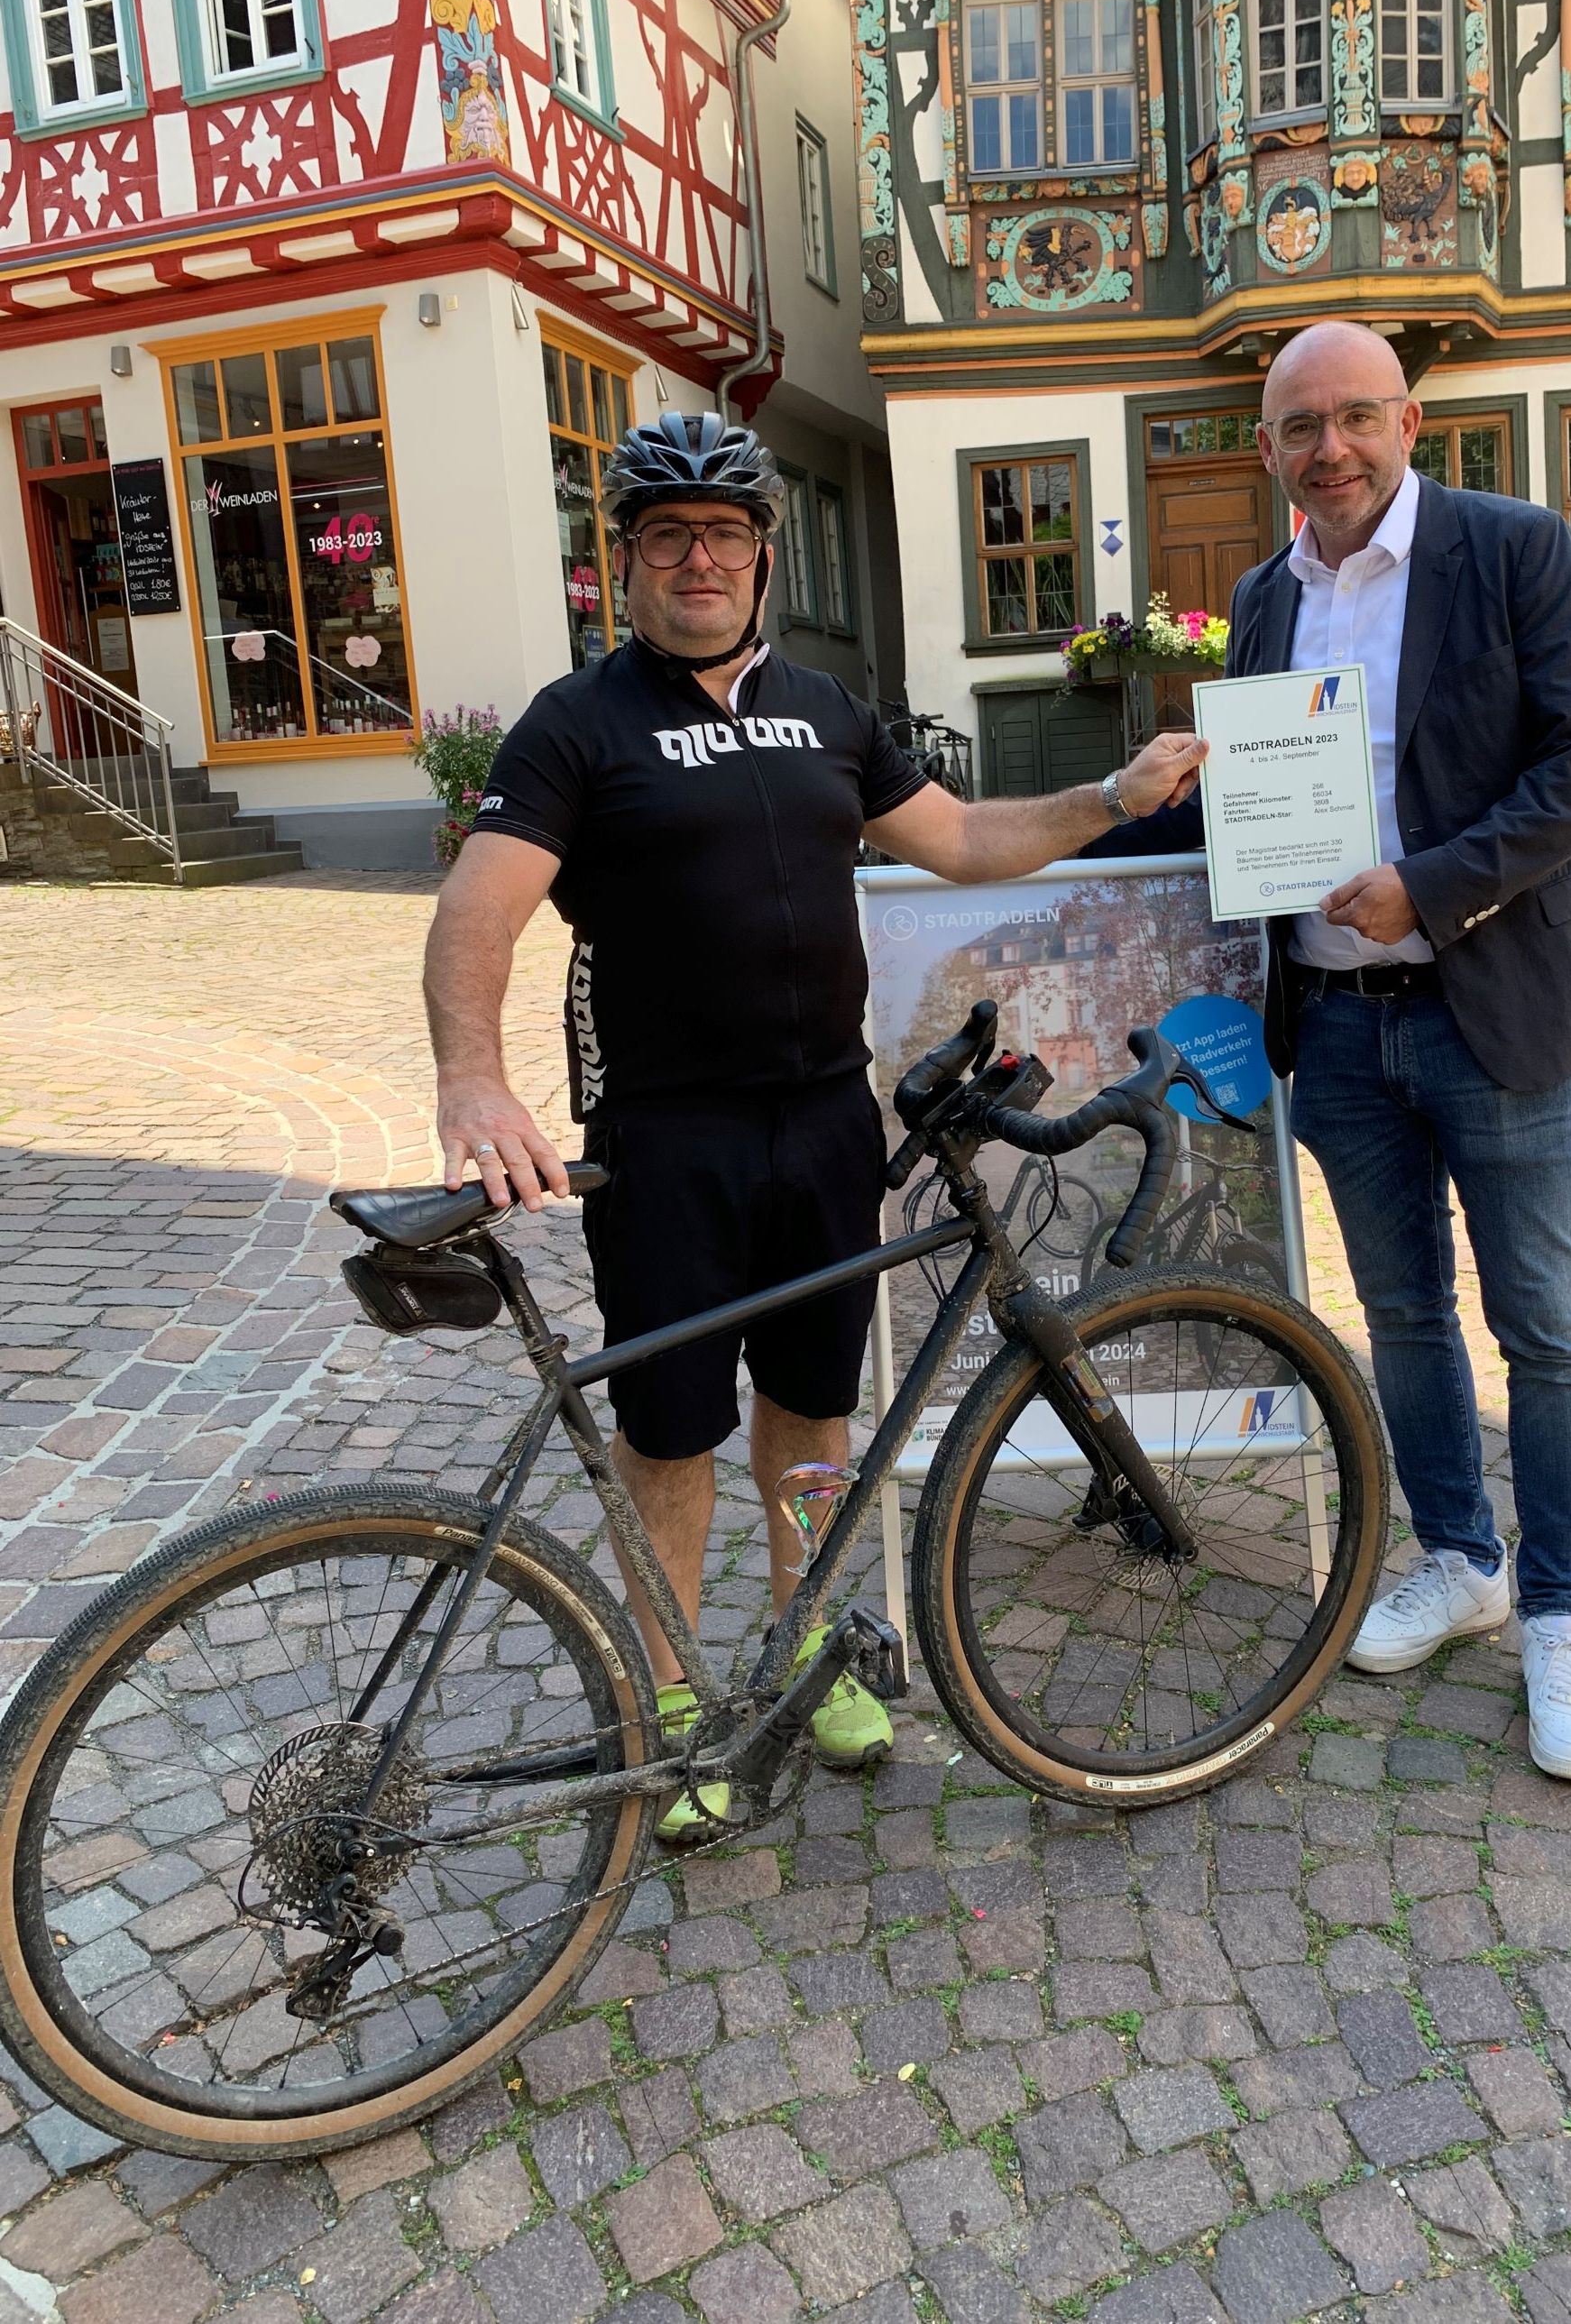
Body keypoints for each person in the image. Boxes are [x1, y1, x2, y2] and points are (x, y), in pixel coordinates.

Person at [424, 412, 1204, 1838]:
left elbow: (961, 841)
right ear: (628, 565)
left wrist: (1109, 796)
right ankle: (668, 1701)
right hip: (660, 1137)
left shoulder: (831, 711)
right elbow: (481, 904)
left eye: (723, 534)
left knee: (813, 1409)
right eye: (667, 536)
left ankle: (798, 1649)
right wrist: (473, 1079)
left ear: (763, 557)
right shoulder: (576, 722)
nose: (698, 558)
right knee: (668, 1436)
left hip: (820, 1126)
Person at [1092, 322, 1571, 1780]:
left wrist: (1437, 881)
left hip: (1496, 1005)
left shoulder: (1511, 549)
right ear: (1267, 450)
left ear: (1407, 421)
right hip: (1336, 1024)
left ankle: (1562, 1613)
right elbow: (1264, 804)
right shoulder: (1263, 595)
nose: (1326, 449)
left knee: (1542, 1322)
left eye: (1351, 420)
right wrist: (1122, 811)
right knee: (1400, 1318)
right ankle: (1461, 1559)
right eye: (1296, 429)